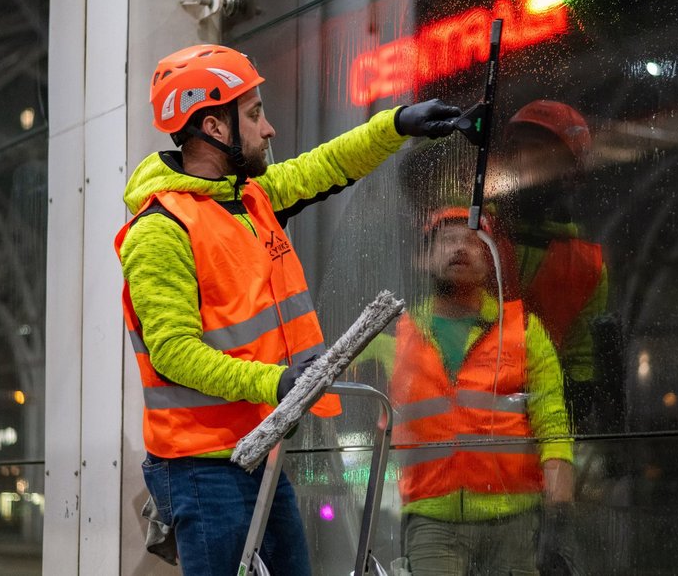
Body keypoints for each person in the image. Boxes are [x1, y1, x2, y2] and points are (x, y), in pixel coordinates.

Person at [113, 43, 461, 575]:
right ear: (214, 127)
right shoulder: (161, 230)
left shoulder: (251, 199)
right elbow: (173, 354)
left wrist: (398, 124)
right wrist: (277, 384)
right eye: (253, 115)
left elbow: (328, 165)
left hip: (259, 452)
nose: (268, 128)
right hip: (202, 468)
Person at [389, 206, 575, 576]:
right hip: (431, 518)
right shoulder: (397, 333)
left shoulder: (523, 330)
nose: (461, 248)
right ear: (423, 259)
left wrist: (559, 479)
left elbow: (550, 413)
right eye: (448, 240)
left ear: (490, 262)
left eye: (474, 241)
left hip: (513, 518)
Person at [495, 100, 614, 434]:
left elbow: (581, 359)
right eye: (521, 150)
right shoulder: (472, 233)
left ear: (572, 173)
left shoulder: (587, 266)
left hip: (539, 433)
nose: (528, 162)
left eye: (543, 153)